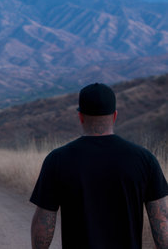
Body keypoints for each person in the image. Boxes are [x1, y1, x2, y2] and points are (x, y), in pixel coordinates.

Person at [30, 82, 168, 249]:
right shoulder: (145, 160)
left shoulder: (57, 160)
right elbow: (162, 224)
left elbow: (43, 224)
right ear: (115, 115)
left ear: (80, 117)